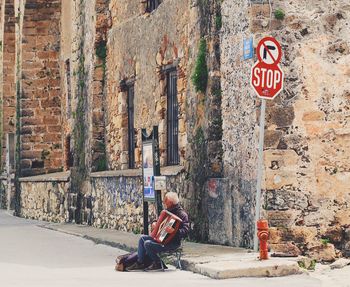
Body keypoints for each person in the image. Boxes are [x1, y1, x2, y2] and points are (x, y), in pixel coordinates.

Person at [127, 191, 189, 271]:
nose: (164, 203)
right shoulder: (166, 212)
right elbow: (158, 220)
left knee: (148, 244)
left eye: (166, 201)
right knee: (142, 238)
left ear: (171, 202)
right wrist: (154, 223)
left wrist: (174, 231)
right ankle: (140, 263)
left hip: (172, 243)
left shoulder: (182, 215)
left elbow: (186, 231)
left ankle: (158, 263)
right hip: (161, 240)